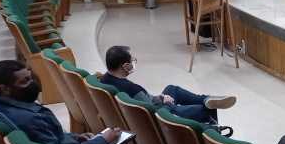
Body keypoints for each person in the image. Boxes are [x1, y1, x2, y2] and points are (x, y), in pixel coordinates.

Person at [0, 60, 163, 144]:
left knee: (117, 141)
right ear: (5, 88)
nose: (32, 84)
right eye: (24, 81)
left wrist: (76, 137)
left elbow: (48, 140)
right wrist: (102, 141)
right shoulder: (30, 117)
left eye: (30, 78)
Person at [100, 45, 234, 128]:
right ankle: (216, 135)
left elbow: (144, 101)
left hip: (156, 103)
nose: (133, 63)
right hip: (166, 114)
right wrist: (168, 104)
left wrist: (157, 97)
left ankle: (206, 98)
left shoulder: (105, 79)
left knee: (172, 88)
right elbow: (156, 114)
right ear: (125, 66)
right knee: (205, 109)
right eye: (132, 61)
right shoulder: (132, 89)